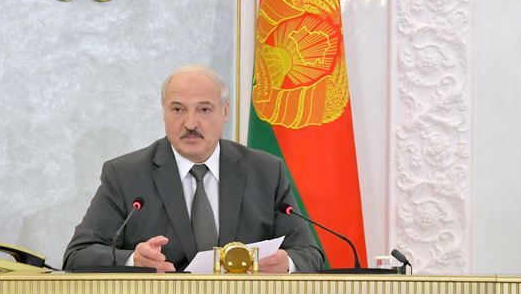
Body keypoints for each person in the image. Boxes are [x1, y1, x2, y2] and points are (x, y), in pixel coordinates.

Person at [62, 64, 324, 273]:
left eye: (204, 109)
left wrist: (286, 264)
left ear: (225, 111)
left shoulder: (265, 171)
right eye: (178, 109)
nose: (190, 123)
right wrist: (133, 261)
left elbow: (309, 254)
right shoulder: (126, 175)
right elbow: (77, 255)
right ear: (163, 112)